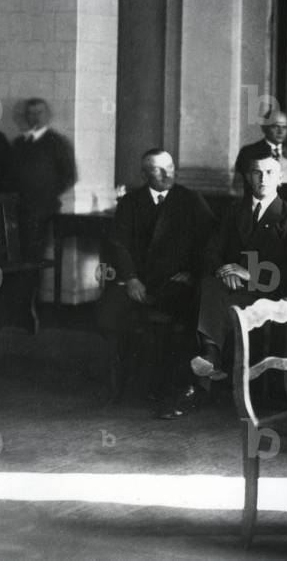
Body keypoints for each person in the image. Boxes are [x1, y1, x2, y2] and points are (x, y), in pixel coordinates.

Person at [159, 152, 287, 418]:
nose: (263, 179)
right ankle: (208, 361)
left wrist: (249, 273)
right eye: (256, 172)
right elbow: (211, 251)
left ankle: (202, 377)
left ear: (280, 179)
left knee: (207, 301)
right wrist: (222, 270)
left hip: (268, 294)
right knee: (208, 285)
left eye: (270, 173)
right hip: (229, 291)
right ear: (247, 177)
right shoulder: (232, 212)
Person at [98, 149, 215, 400]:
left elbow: (211, 243)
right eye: (157, 169)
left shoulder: (190, 199)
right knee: (109, 314)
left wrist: (192, 273)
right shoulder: (130, 203)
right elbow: (119, 243)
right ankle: (120, 383)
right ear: (144, 174)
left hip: (175, 281)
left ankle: (175, 386)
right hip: (138, 280)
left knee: (176, 322)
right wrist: (130, 277)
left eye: (170, 167)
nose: (166, 173)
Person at [5, 98, 77, 262]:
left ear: (48, 115)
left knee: (34, 255)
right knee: (16, 254)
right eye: (31, 113)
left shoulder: (57, 142)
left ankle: (32, 288)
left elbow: (69, 176)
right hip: (18, 208)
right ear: (26, 117)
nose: (35, 117)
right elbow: (9, 174)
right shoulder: (19, 143)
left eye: (39, 113)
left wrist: (45, 194)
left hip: (42, 209)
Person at [233, 109, 287, 192]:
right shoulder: (249, 152)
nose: (280, 131)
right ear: (264, 128)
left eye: (284, 127)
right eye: (275, 126)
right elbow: (239, 185)